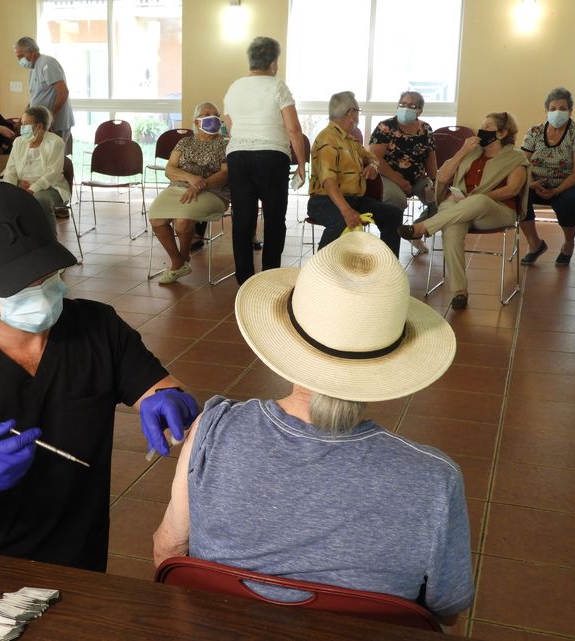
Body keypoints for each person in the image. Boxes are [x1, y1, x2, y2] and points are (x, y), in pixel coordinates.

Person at [153, 232, 473, 626]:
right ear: (391, 356)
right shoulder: (433, 479)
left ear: (288, 337)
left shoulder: (213, 430)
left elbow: (168, 550)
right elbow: (447, 607)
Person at [0, 182, 199, 571]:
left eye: (45, 273)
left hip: (78, 570)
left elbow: (158, 386)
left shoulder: (97, 328)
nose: (39, 290)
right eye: (19, 284)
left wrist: (169, 397)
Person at [398, 112, 530, 310]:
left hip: (496, 212)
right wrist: (462, 151)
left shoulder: (515, 157)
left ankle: (423, 228)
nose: (481, 130)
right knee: (452, 228)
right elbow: (442, 179)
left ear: (502, 133)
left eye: (487, 127)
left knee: (477, 201)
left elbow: (512, 189)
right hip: (460, 208)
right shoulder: (471, 152)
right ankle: (460, 291)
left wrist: (478, 198)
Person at [223, 36, 307, 285]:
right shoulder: (277, 86)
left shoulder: (234, 87)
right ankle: (270, 275)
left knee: (243, 219)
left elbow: (229, 123)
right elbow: (293, 129)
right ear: (273, 62)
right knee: (274, 218)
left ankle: (245, 280)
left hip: (238, 157)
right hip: (271, 157)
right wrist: (302, 164)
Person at [306, 91, 403, 257]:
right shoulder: (327, 139)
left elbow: (371, 157)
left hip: (353, 199)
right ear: (351, 113)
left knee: (392, 215)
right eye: (358, 111)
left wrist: (372, 165)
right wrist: (346, 210)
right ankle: (318, 272)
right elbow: (329, 182)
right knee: (341, 222)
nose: (358, 115)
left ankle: (388, 266)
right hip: (324, 200)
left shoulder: (351, 140)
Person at [148, 102, 229, 285]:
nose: (213, 118)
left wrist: (199, 184)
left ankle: (182, 259)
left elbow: (225, 174)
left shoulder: (225, 143)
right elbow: (170, 169)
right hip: (178, 187)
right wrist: (190, 178)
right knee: (156, 219)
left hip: (214, 191)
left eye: (215, 114)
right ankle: (179, 262)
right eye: (207, 114)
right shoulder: (185, 142)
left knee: (183, 219)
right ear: (197, 121)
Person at [368, 90, 437, 254]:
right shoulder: (385, 127)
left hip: (418, 178)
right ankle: (390, 249)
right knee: (397, 200)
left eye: (411, 105)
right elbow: (375, 158)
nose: (405, 108)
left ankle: (413, 230)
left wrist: (436, 182)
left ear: (419, 110)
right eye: (402, 104)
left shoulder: (426, 129)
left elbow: (430, 160)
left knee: (440, 201)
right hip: (388, 176)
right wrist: (399, 181)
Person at [517, 87, 575, 266]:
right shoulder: (535, 131)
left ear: (570, 111)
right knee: (517, 193)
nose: (557, 112)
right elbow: (521, 163)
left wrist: (557, 190)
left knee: (570, 202)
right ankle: (535, 244)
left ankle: (568, 244)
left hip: (567, 185)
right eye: (552, 109)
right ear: (546, 111)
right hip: (537, 183)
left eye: (562, 108)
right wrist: (530, 183)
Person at [0, 106, 69, 235]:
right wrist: (9, 189)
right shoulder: (19, 142)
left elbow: (52, 173)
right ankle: (17, 240)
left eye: (26, 124)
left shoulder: (55, 142)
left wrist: (32, 189)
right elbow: (11, 169)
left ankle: (50, 242)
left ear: (39, 126)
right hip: (21, 185)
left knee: (41, 200)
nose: (22, 127)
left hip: (50, 188)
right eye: (22, 123)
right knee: (2, 199)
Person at [14, 37, 75, 154]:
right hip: (41, 124)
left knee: (54, 160)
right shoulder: (33, 68)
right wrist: (23, 118)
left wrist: (51, 116)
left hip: (56, 124)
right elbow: (35, 99)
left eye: (20, 56)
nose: (19, 60)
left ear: (31, 52)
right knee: (42, 159)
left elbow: (63, 92)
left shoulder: (47, 63)